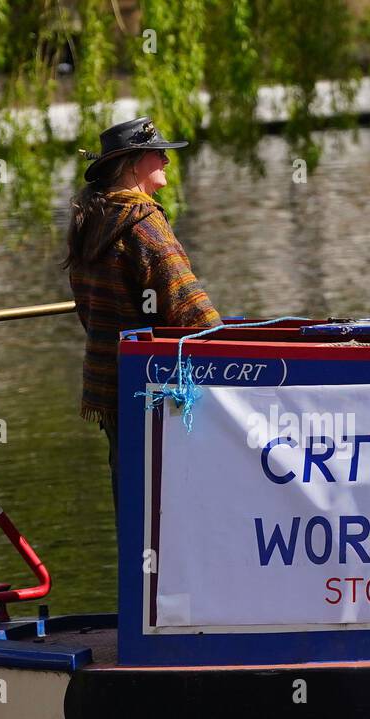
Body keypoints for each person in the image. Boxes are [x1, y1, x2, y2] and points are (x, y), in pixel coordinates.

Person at [63, 117, 221, 518]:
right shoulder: (142, 220)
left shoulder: (90, 222)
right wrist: (230, 347)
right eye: (158, 153)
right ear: (133, 163)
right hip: (156, 389)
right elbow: (186, 304)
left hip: (112, 385)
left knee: (136, 508)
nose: (166, 161)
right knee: (173, 509)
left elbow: (89, 309)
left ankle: (140, 579)